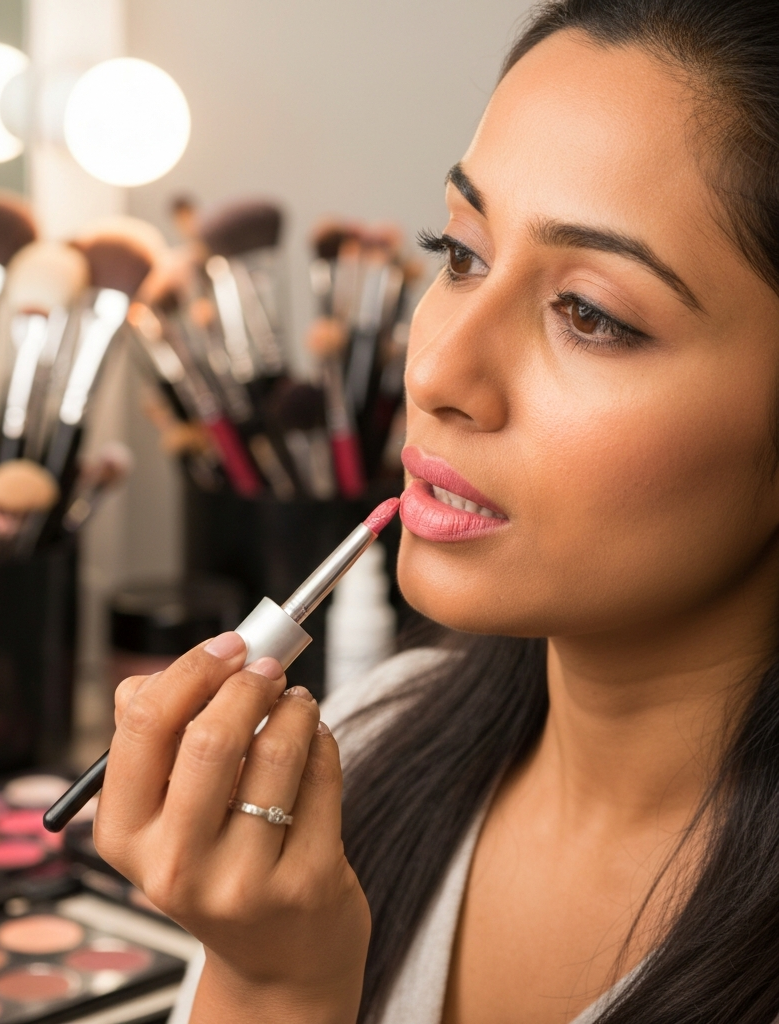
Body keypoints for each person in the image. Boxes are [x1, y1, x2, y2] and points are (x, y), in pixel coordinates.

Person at [95, 0, 779, 1020]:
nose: (438, 368)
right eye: (459, 252)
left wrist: (282, 988)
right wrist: (265, 971)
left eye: (590, 313)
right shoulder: (370, 742)